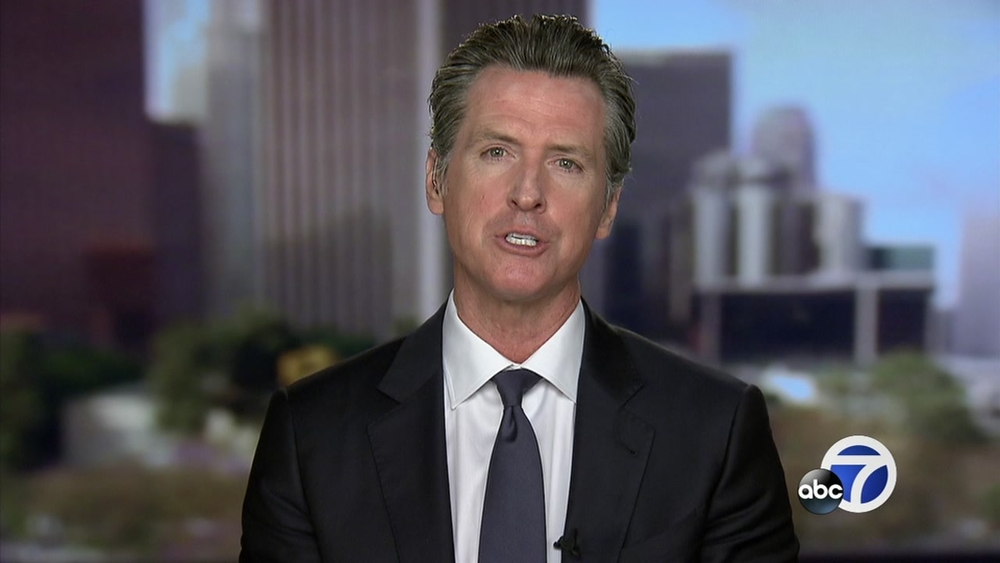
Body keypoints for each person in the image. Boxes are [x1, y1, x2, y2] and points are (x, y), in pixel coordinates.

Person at [240, 14, 798, 563]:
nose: (527, 193)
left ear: (608, 208)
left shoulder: (714, 433)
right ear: (436, 180)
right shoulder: (312, 437)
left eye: (566, 163)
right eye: (497, 153)